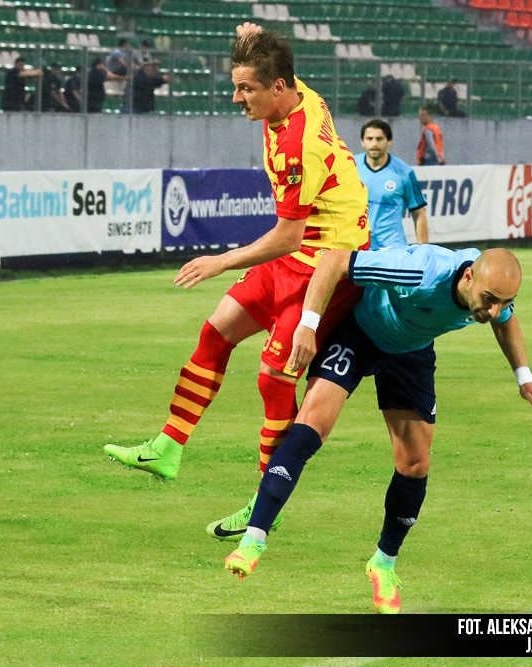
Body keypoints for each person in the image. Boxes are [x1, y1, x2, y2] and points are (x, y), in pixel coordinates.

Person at [104, 23, 371, 543]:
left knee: (274, 377)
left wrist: (222, 261)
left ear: (277, 88)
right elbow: (279, 63)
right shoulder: (295, 93)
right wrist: (256, 38)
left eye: (246, 88)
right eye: (237, 85)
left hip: (327, 264)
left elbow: (288, 236)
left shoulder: (299, 147)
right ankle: (167, 448)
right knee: (217, 329)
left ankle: (266, 500)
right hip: (299, 255)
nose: (236, 97)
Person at [223, 246, 532, 616]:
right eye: (490, 299)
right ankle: (253, 541)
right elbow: (334, 261)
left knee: (415, 464)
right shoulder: (419, 272)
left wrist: (524, 377)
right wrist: (308, 325)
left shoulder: (493, 294)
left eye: (503, 301)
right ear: (468, 277)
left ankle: (383, 563)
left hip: (410, 352)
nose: (493, 310)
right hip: (359, 334)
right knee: (309, 430)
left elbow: (505, 319)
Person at [356, 118, 428, 248]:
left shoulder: (404, 172)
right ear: (362, 142)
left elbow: (419, 214)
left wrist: (423, 250)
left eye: (379, 139)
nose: (374, 144)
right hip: (358, 245)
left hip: (393, 247)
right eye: (369, 139)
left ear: (389, 141)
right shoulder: (350, 167)